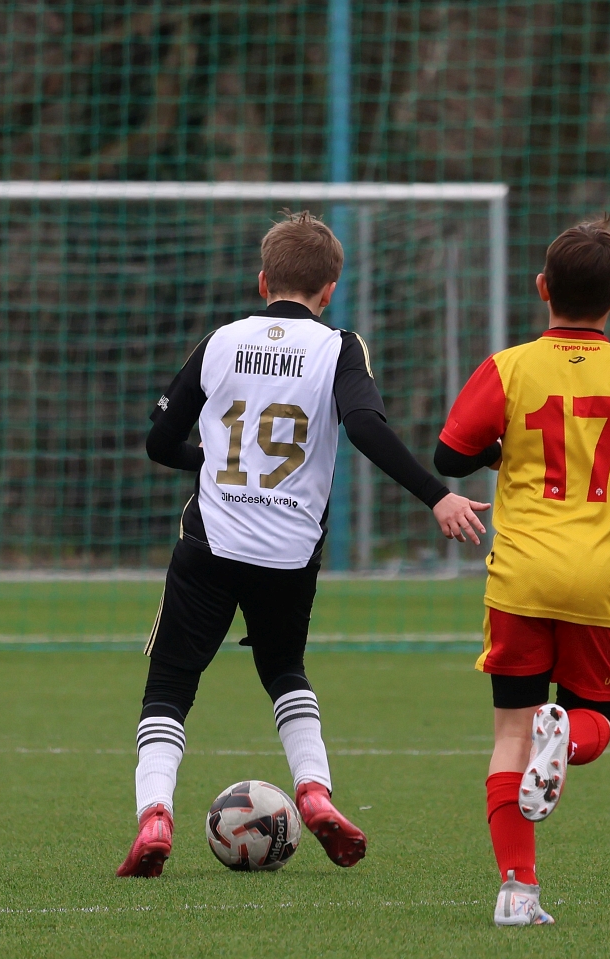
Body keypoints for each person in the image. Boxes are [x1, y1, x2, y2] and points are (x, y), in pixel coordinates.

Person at [120, 211, 491, 877]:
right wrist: (437, 496)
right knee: (285, 672)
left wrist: (213, 461)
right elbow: (365, 427)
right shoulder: (338, 347)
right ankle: (315, 792)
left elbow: (158, 443)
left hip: (210, 544)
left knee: (170, 683)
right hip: (289, 554)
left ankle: (155, 815)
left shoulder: (221, 341)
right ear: (330, 289)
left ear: (263, 281)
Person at [434, 217, 610, 925]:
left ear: (542, 288)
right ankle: (567, 738)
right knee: (593, 720)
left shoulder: (508, 367)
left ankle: (517, 892)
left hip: (521, 577)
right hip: (600, 580)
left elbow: (449, 456)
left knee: (508, 736)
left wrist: (501, 454)